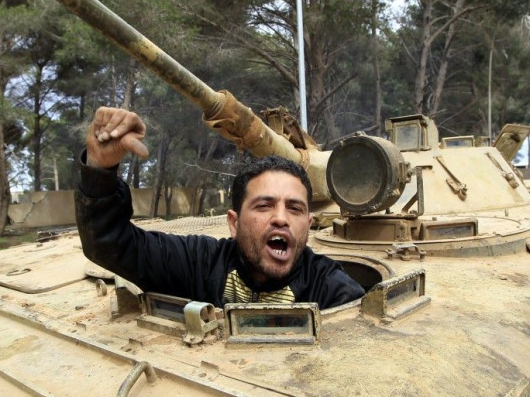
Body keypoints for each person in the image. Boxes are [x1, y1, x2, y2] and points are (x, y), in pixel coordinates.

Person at [75, 106, 365, 309]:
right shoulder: (199, 263)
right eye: (264, 206)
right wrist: (100, 169)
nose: (281, 218)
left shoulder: (332, 290)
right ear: (233, 222)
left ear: (309, 224)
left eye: (295, 208)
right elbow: (111, 244)